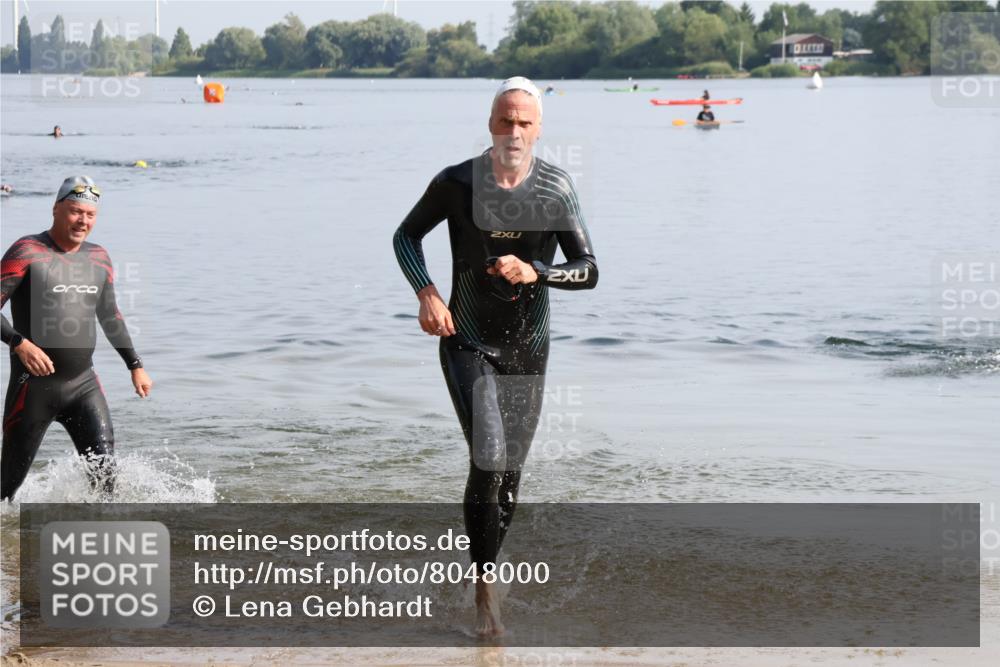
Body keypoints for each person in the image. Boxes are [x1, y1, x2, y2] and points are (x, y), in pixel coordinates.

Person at [392, 76, 598, 637]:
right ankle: (486, 590)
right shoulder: (457, 182)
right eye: (504, 120)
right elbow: (406, 237)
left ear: (538, 128)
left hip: (528, 347)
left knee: (508, 476)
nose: (513, 131)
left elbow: (590, 270)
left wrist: (540, 271)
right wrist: (427, 294)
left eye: (524, 123)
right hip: (467, 339)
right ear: (490, 123)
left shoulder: (555, 189)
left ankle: (487, 567)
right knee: (488, 453)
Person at [1, 176, 152, 502]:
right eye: (74, 211)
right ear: (56, 209)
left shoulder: (98, 258)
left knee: (106, 480)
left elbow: (110, 316)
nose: (83, 220)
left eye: (90, 214)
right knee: (6, 490)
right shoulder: (27, 251)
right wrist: (19, 343)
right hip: (33, 388)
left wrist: (134, 364)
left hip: (83, 385)